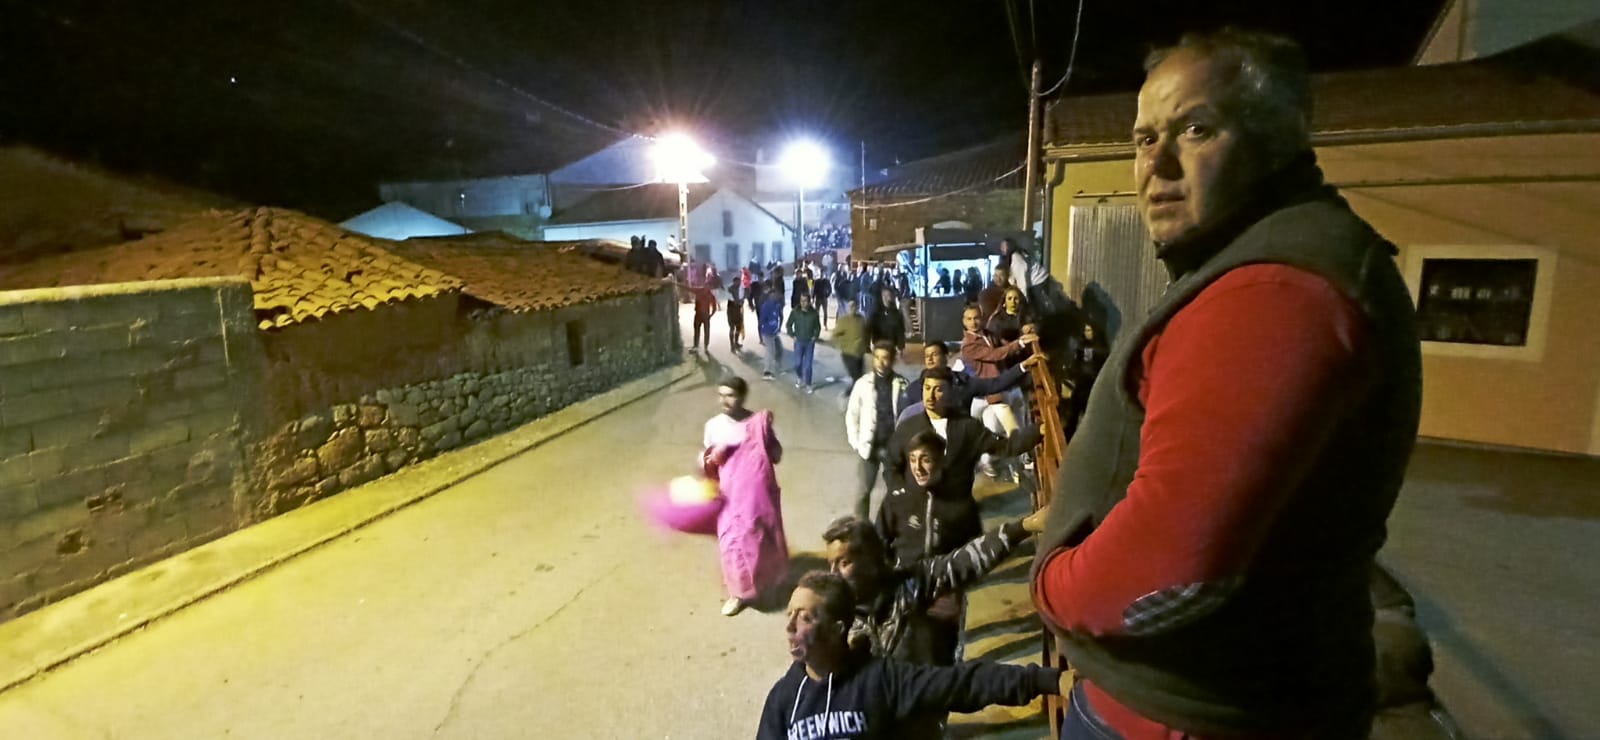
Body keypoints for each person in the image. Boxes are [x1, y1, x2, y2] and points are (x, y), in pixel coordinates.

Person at [1031, 29, 1423, 739]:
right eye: (1144, 139)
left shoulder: (1272, 293)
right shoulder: (1273, 261)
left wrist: (1053, 586)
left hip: (1181, 718)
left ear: (1277, 137)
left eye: (1196, 129)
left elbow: (1169, 572)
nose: (1158, 164)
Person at [758, 572, 1068, 740]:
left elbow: (961, 684)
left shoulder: (881, 678)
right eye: (789, 614)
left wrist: (1046, 679)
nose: (788, 626)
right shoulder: (784, 698)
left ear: (837, 629)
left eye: (805, 618)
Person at [884, 367, 1042, 505]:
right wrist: (900, 492)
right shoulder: (908, 427)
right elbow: (891, 465)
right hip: (915, 509)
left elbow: (1006, 447)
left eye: (938, 389)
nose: (930, 396)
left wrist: (1038, 431)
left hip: (956, 513)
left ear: (950, 392)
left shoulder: (968, 428)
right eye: (927, 388)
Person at [700, 376, 789, 616]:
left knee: (760, 539)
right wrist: (709, 461)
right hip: (729, 495)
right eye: (721, 395)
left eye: (730, 395)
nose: (724, 400)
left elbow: (776, 454)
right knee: (731, 544)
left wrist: (764, 441)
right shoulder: (713, 426)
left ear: (742, 397)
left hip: (756, 495)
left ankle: (767, 584)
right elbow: (707, 459)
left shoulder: (757, 423)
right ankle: (738, 593)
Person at [896, 340, 1035, 425]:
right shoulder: (913, 390)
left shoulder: (963, 382)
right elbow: (903, 422)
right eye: (927, 356)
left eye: (935, 354)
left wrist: (1022, 366)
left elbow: (995, 384)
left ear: (946, 357)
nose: (930, 359)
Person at [844, 342, 909, 520]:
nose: (880, 362)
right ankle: (861, 526)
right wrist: (856, 442)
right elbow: (852, 415)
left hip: (893, 447)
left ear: (893, 360)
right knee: (863, 491)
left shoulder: (902, 384)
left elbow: (907, 415)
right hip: (869, 447)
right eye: (877, 358)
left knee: (896, 491)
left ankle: (893, 525)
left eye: (885, 358)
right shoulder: (863, 384)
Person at [787, 292, 822, 393]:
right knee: (797, 364)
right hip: (798, 342)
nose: (803, 303)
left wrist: (815, 336)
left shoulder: (814, 313)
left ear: (809, 301)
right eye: (802, 301)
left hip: (809, 343)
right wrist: (792, 335)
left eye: (805, 301)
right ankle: (800, 377)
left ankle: (808, 383)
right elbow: (789, 324)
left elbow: (817, 327)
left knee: (808, 366)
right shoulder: (795, 312)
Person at [832, 299, 869, 381]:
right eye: (850, 306)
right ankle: (850, 391)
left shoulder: (861, 319)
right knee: (856, 376)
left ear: (857, 307)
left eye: (854, 306)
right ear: (847, 308)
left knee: (860, 377)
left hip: (859, 353)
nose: (852, 308)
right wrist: (840, 345)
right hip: (848, 353)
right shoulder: (844, 321)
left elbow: (866, 333)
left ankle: (853, 391)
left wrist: (866, 346)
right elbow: (835, 335)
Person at [757, 279, 786, 380]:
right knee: (770, 352)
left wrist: (778, 327)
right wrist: (763, 333)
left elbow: (779, 316)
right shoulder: (766, 306)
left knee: (779, 350)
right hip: (768, 333)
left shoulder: (776, 306)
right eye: (773, 295)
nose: (776, 296)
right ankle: (767, 372)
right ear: (770, 296)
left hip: (774, 332)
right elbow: (761, 321)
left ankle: (776, 369)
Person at [866, 287, 905, 353]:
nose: (885, 298)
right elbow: (868, 329)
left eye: (888, 295)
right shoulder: (875, 313)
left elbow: (900, 331)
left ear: (892, 297)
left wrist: (900, 347)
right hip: (878, 346)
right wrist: (867, 346)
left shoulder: (897, 314)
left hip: (892, 347)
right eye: (883, 295)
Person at [690, 283, 718, 354]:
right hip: (699, 315)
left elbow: (714, 307)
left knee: (705, 331)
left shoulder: (710, 295)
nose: (707, 288)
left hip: (704, 315)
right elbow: (687, 288)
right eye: (706, 286)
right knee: (698, 331)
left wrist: (710, 315)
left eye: (708, 287)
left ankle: (704, 346)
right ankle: (697, 346)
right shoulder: (699, 291)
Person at [726, 283, 747, 352]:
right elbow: (736, 303)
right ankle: (732, 345)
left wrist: (741, 301)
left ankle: (735, 343)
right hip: (732, 314)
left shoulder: (739, 292)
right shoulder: (730, 295)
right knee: (732, 328)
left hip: (737, 313)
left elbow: (741, 303)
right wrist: (739, 301)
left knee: (737, 328)